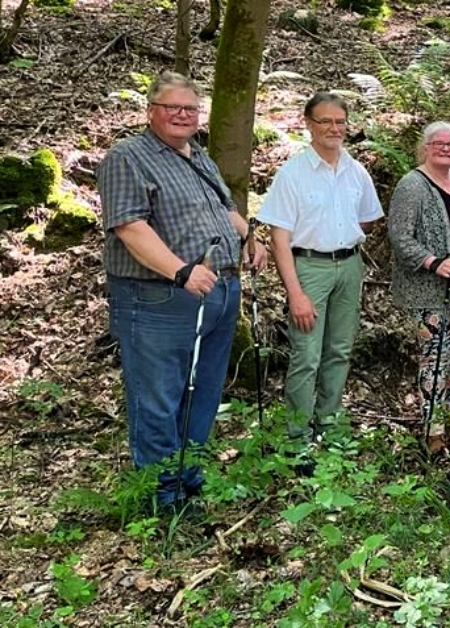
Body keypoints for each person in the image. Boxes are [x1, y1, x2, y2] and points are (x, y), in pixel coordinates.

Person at [98, 71, 266, 512]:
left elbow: (225, 208)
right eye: (172, 107)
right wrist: (181, 272)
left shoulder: (198, 156)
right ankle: (162, 497)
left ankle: (189, 479)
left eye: (190, 108)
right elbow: (130, 227)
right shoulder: (128, 157)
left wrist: (249, 238)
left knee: (202, 394)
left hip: (219, 293)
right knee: (158, 397)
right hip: (159, 298)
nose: (182, 115)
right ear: (151, 111)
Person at [257, 92, 383, 450]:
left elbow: (370, 219)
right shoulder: (293, 174)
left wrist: (342, 230)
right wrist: (295, 293)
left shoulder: (355, 171)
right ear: (308, 124)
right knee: (307, 356)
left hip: (350, 266)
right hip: (309, 268)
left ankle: (328, 425)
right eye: (324, 121)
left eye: (339, 121)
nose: (333, 128)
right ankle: (297, 438)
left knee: (340, 350)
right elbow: (279, 239)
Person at [387, 121, 450, 438]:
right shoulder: (412, 185)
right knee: (434, 357)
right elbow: (398, 235)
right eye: (439, 143)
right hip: (429, 290)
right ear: (425, 147)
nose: (445, 149)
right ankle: (432, 429)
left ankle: (448, 416)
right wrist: (431, 261)